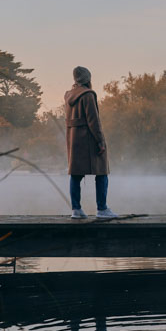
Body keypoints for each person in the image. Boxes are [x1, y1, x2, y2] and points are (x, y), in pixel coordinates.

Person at [64, 66, 116, 219]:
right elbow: (94, 121)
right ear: (88, 79)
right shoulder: (88, 95)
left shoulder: (68, 95)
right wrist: (100, 141)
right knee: (102, 173)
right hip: (88, 139)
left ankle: (76, 210)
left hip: (73, 140)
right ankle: (102, 209)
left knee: (75, 174)